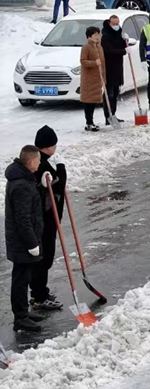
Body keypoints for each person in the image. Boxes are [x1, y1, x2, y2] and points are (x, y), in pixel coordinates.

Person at [6, 145, 45, 331]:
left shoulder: (24, 178)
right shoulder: (20, 185)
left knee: (24, 276)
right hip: (22, 242)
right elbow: (22, 219)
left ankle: (23, 312)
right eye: (37, 161)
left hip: (24, 240)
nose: (39, 165)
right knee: (20, 279)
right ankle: (20, 318)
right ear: (30, 162)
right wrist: (31, 243)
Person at [30, 126, 64, 312]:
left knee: (44, 258)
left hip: (45, 217)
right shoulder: (41, 164)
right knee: (44, 258)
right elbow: (59, 184)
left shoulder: (40, 161)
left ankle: (39, 291)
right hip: (44, 219)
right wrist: (61, 168)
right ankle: (38, 297)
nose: (56, 148)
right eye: (54, 144)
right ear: (47, 146)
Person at [100, 15, 127, 126]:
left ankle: (113, 115)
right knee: (109, 94)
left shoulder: (118, 34)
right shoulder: (105, 36)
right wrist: (124, 51)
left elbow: (121, 46)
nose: (116, 26)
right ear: (109, 23)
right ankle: (108, 116)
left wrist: (125, 41)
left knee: (115, 94)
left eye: (117, 23)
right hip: (109, 69)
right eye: (114, 24)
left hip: (118, 69)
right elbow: (110, 51)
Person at [80, 26, 105, 132]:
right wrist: (94, 63)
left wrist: (104, 77)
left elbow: (103, 63)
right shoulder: (86, 47)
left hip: (98, 78)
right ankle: (89, 123)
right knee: (89, 102)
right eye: (95, 35)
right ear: (89, 36)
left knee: (94, 101)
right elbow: (83, 61)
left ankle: (91, 122)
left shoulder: (99, 47)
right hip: (89, 79)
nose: (97, 37)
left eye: (98, 34)